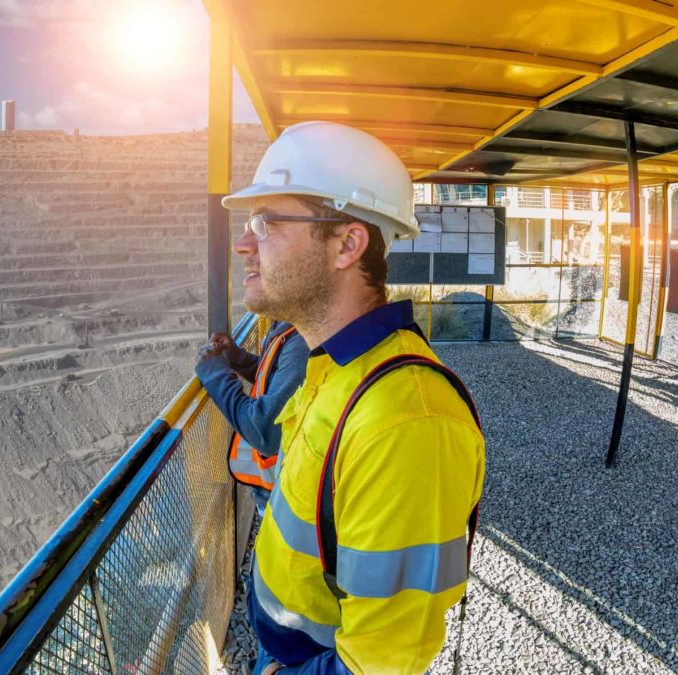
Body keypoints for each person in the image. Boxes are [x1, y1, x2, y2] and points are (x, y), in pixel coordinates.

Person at [220, 121, 486, 674]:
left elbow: (378, 666)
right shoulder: (332, 364)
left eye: (266, 222)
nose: (244, 243)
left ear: (347, 243)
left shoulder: (406, 422)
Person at [195, 316, 308, 515]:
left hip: (284, 498)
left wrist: (214, 375)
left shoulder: (301, 342)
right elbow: (278, 379)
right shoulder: (288, 328)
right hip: (279, 489)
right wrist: (237, 358)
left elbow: (263, 430)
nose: (249, 284)